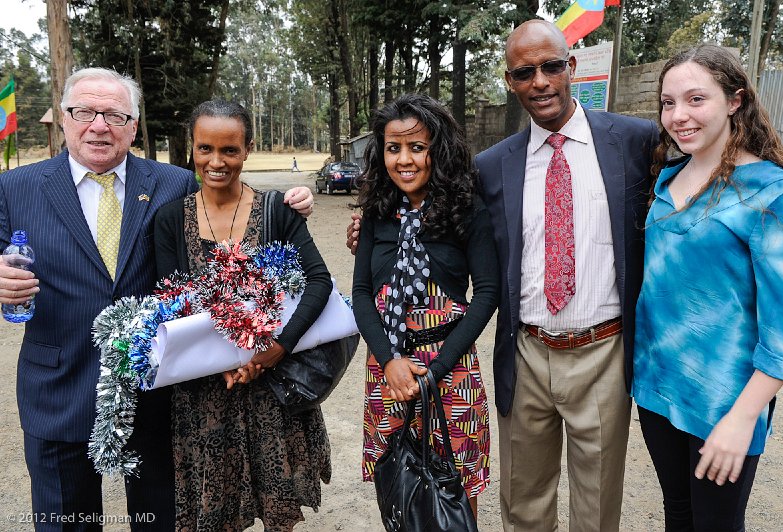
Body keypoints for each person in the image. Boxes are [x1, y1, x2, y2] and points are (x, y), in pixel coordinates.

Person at [348, 21, 658, 530]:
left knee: (597, 504)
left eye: (551, 67)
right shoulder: (491, 167)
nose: (540, 81)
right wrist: (371, 231)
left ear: (571, 67)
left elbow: (696, 171)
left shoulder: (634, 141)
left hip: (604, 350)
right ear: (511, 81)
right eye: (524, 72)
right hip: (527, 352)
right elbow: (428, 211)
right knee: (522, 502)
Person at [0, 68, 313, 532]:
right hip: (57, 389)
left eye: (114, 114)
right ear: (65, 118)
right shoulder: (14, 186)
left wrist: (290, 203)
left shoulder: (174, 182)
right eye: (84, 112)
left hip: (160, 391)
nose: (99, 125)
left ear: (133, 123)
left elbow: (229, 220)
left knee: (163, 522)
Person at [633, 44, 783, 531]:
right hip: (657, 388)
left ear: (734, 100)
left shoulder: (772, 194)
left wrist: (743, 417)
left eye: (695, 99)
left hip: (725, 401)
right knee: (678, 514)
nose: (679, 116)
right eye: (668, 103)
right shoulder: (666, 179)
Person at [153, 99, 332, 531]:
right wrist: (226, 363)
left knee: (278, 512)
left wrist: (277, 347)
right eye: (205, 149)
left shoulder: (277, 212)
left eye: (229, 150)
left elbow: (319, 282)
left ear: (247, 149)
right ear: (191, 149)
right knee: (215, 514)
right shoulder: (169, 220)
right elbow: (173, 304)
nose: (217, 162)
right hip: (206, 395)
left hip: (273, 390)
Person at [352, 93, 499, 518]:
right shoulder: (377, 213)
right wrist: (389, 361)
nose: (404, 160)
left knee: (453, 487)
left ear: (439, 149)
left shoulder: (466, 209)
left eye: (417, 147)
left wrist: (434, 371)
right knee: (401, 483)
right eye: (393, 148)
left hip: (450, 370)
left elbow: (487, 292)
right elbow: (361, 294)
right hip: (389, 372)